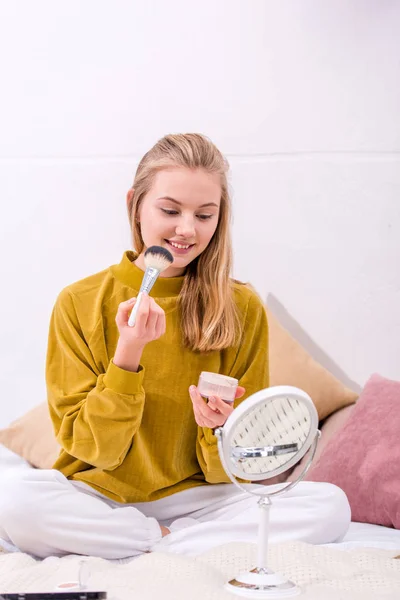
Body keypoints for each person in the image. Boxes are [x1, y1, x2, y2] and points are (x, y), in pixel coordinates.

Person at [0, 134, 350, 559]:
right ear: (135, 204)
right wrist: (127, 356)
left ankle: (156, 542)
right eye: (170, 210)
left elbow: (242, 464)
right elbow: (94, 451)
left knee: (330, 506)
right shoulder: (78, 302)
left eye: (205, 215)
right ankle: (172, 544)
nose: (187, 229)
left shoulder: (241, 307)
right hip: (100, 494)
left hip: (203, 500)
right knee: (14, 503)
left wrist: (220, 428)